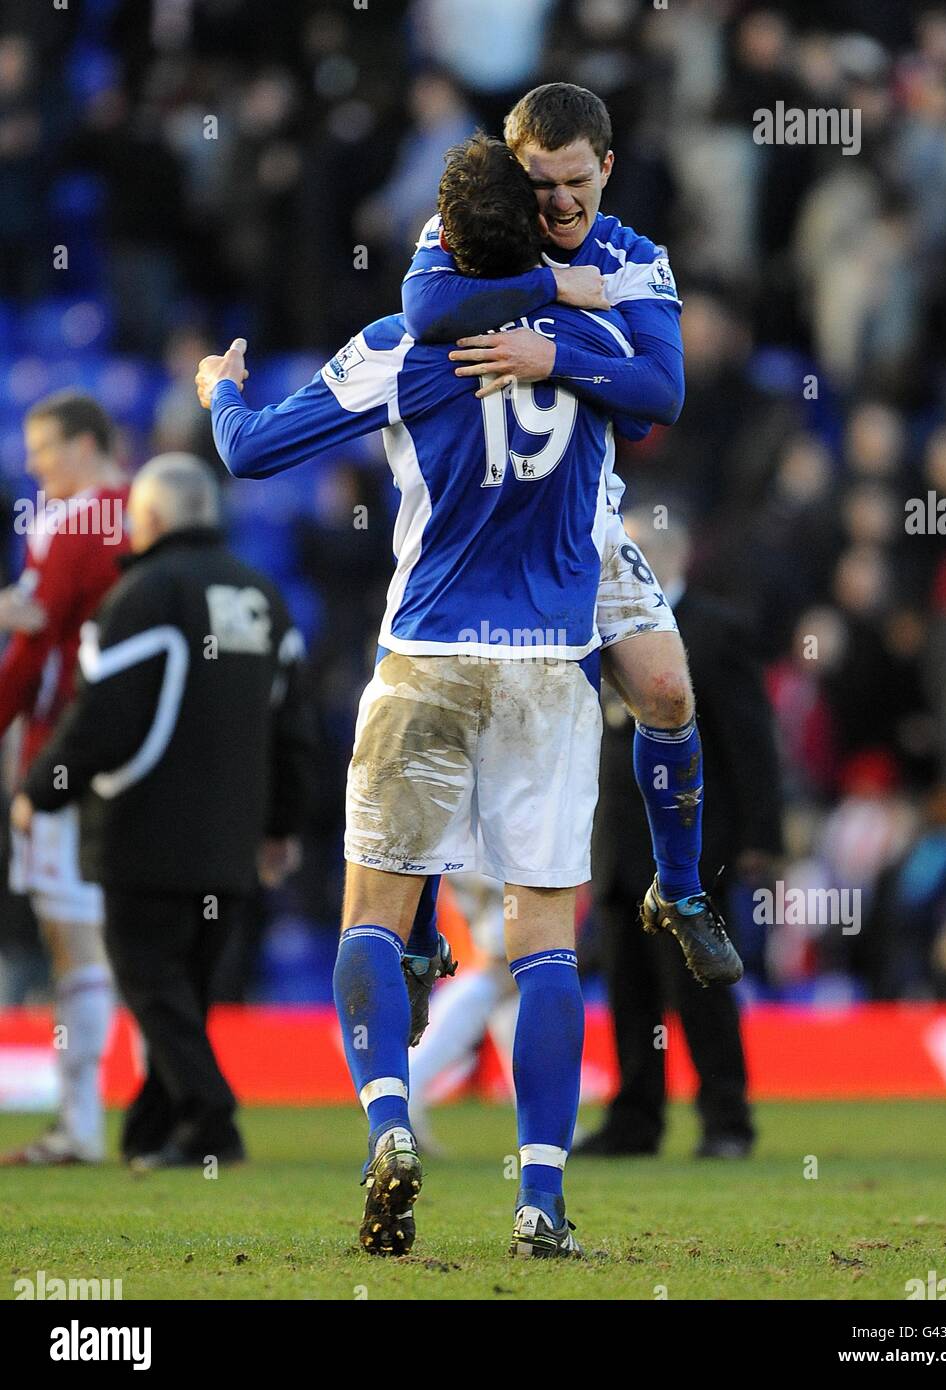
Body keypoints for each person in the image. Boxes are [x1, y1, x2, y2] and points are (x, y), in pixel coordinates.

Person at [194, 134, 646, 1260]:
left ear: (443, 238)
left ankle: (389, 1125)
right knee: (543, 941)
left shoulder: (400, 346)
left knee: (374, 919)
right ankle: (541, 1197)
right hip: (548, 666)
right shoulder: (591, 336)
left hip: (427, 653)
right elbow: (657, 394)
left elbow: (250, 455)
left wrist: (220, 391)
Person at [398, 83, 741, 1028]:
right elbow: (422, 308)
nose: (557, 204)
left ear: (608, 169)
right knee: (452, 727)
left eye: (575, 182)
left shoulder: (633, 256)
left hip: (582, 526)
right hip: (475, 530)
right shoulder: (467, 235)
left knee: (668, 693)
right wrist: (552, 291)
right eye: (539, 182)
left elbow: (659, 393)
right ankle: (422, 929)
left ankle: (676, 890)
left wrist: (552, 359)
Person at [10, 455, 314, 1169]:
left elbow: (103, 717)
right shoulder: (262, 594)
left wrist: (43, 786)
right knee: (184, 995)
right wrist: (279, 827)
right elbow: (294, 729)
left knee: (150, 982)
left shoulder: (146, 593)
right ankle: (153, 1133)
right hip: (232, 840)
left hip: (145, 830)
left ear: (146, 519)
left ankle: (212, 1127)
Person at [579, 510, 784, 1159]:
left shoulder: (713, 631)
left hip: (691, 853)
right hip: (615, 841)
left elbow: (748, 741)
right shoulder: (599, 631)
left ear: (666, 557)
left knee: (698, 990)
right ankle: (635, 1119)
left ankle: (726, 1119)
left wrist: (760, 834)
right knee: (628, 991)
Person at [0, 392, 129, 1166]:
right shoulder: (143, 507)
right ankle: (154, 1109)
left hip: (63, 755)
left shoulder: (72, 521)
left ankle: (79, 1124)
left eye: (45, 448)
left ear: (84, 445)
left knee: (71, 937)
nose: (36, 465)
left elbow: (32, 650)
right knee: (117, 935)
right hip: (138, 755)